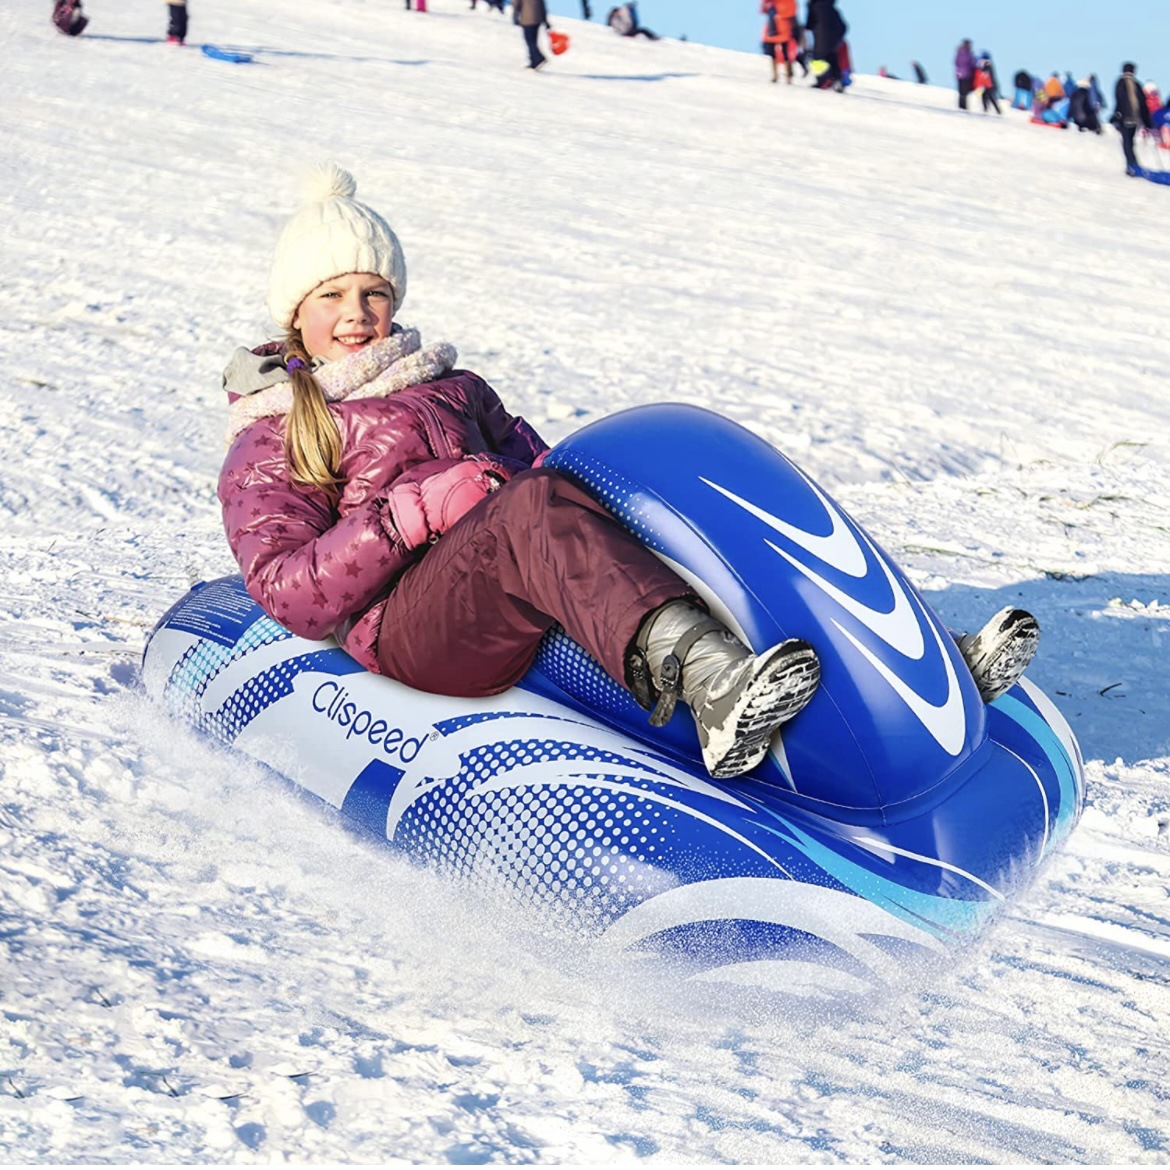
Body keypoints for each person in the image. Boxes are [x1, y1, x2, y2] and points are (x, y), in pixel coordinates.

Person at [219, 165, 1041, 782]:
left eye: (373, 291)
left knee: (629, 496)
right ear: (295, 311)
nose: (358, 313)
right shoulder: (278, 430)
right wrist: (407, 516)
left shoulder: (454, 386)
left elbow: (544, 468)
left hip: (502, 583)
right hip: (407, 630)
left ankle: (902, 674)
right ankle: (714, 691)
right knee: (538, 511)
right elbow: (289, 589)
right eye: (332, 295)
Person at [1113, 62, 1153, 176]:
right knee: (1130, 142)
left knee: (1126, 143)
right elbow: (1143, 104)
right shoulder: (1136, 84)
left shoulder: (1120, 83)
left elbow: (1119, 100)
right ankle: (1134, 164)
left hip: (1124, 118)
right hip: (1135, 119)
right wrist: (1147, 121)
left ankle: (1131, 166)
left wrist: (1116, 116)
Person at [805, 0, 847, 91]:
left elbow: (809, 24)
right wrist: (838, 37)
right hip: (833, 39)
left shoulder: (813, 5)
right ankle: (836, 79)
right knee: (832, 57)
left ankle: (822, 81)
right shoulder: (832, 8)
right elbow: (843, 26)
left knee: (818, 58)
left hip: (820, 37)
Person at [760, 0, 797, 85]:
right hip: (772, 30)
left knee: (786, 53)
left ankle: (788, 77)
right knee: (772, 53)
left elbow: (791, 12)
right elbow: (763, 10)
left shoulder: (787, 2)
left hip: (783, 29)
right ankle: (775, 75)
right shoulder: (769, 2)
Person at [514, 0, 550, 69]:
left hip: (527, 18)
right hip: (538, 19)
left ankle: (538, 59)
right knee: (533, 40)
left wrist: (515, 14)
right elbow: (543, 6)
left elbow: (517, 2)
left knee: (530, 41)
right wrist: (545, 20)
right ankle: (535, 60)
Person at [954, 39, 975, 109]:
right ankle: (963, 105)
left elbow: (956, 62)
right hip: (966, 74)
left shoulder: (959, 52)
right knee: (964, 91)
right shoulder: (967, 53)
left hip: (960, 74)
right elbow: (971, 62)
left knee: (962, 90)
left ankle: (961, 105)